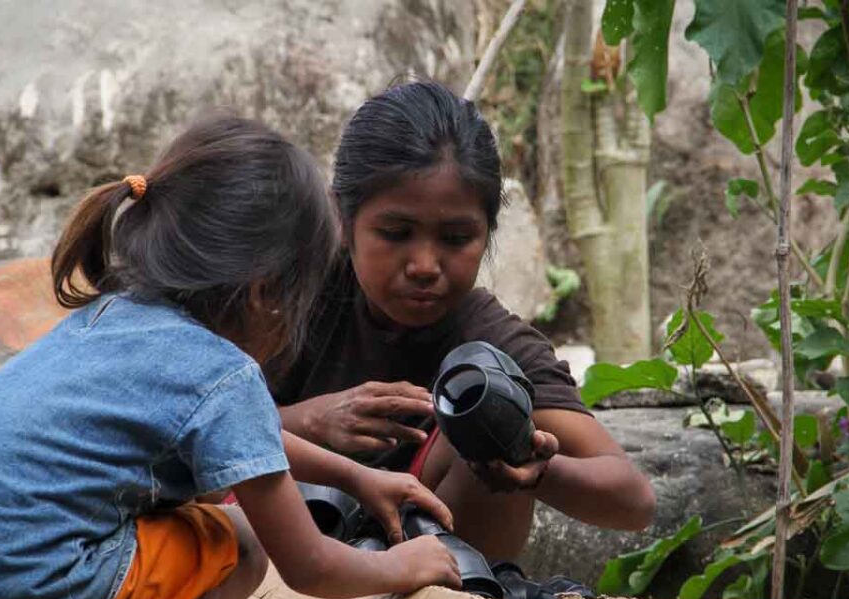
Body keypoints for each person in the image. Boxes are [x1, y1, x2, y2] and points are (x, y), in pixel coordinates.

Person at [0, 113, 461, 599]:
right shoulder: (221, 372)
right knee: (244, 545)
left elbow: (247, 442)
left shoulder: (110, 316)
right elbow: (309, 566)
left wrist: (356, 477)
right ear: (265, 293)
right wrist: (398, 565)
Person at [274, 81, 657, 562]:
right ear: (341, 217)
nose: (425, 265)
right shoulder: (284, 293)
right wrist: (308, 421)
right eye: (396, 233)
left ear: (487, 233)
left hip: (424, 581)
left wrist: (533, 466)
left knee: (492, 423)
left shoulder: (491, 341)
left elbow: (633, 501)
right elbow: (174, 419)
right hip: (271, 565)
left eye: (456, 238)